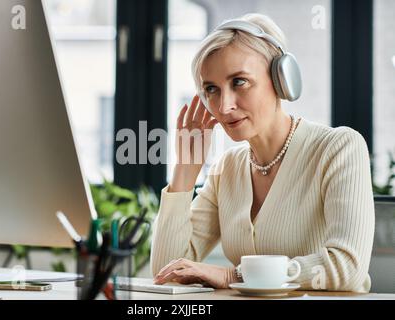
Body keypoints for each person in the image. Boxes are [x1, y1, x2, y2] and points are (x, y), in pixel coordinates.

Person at [150, 13, 375, 292]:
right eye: (212, 89)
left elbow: (348, 267)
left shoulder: (338, 148)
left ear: (281, 80)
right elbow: (167, 273)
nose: (224, 106)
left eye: (239, 82)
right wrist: (185, 170)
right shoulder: (227, 168)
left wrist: (236, 276)